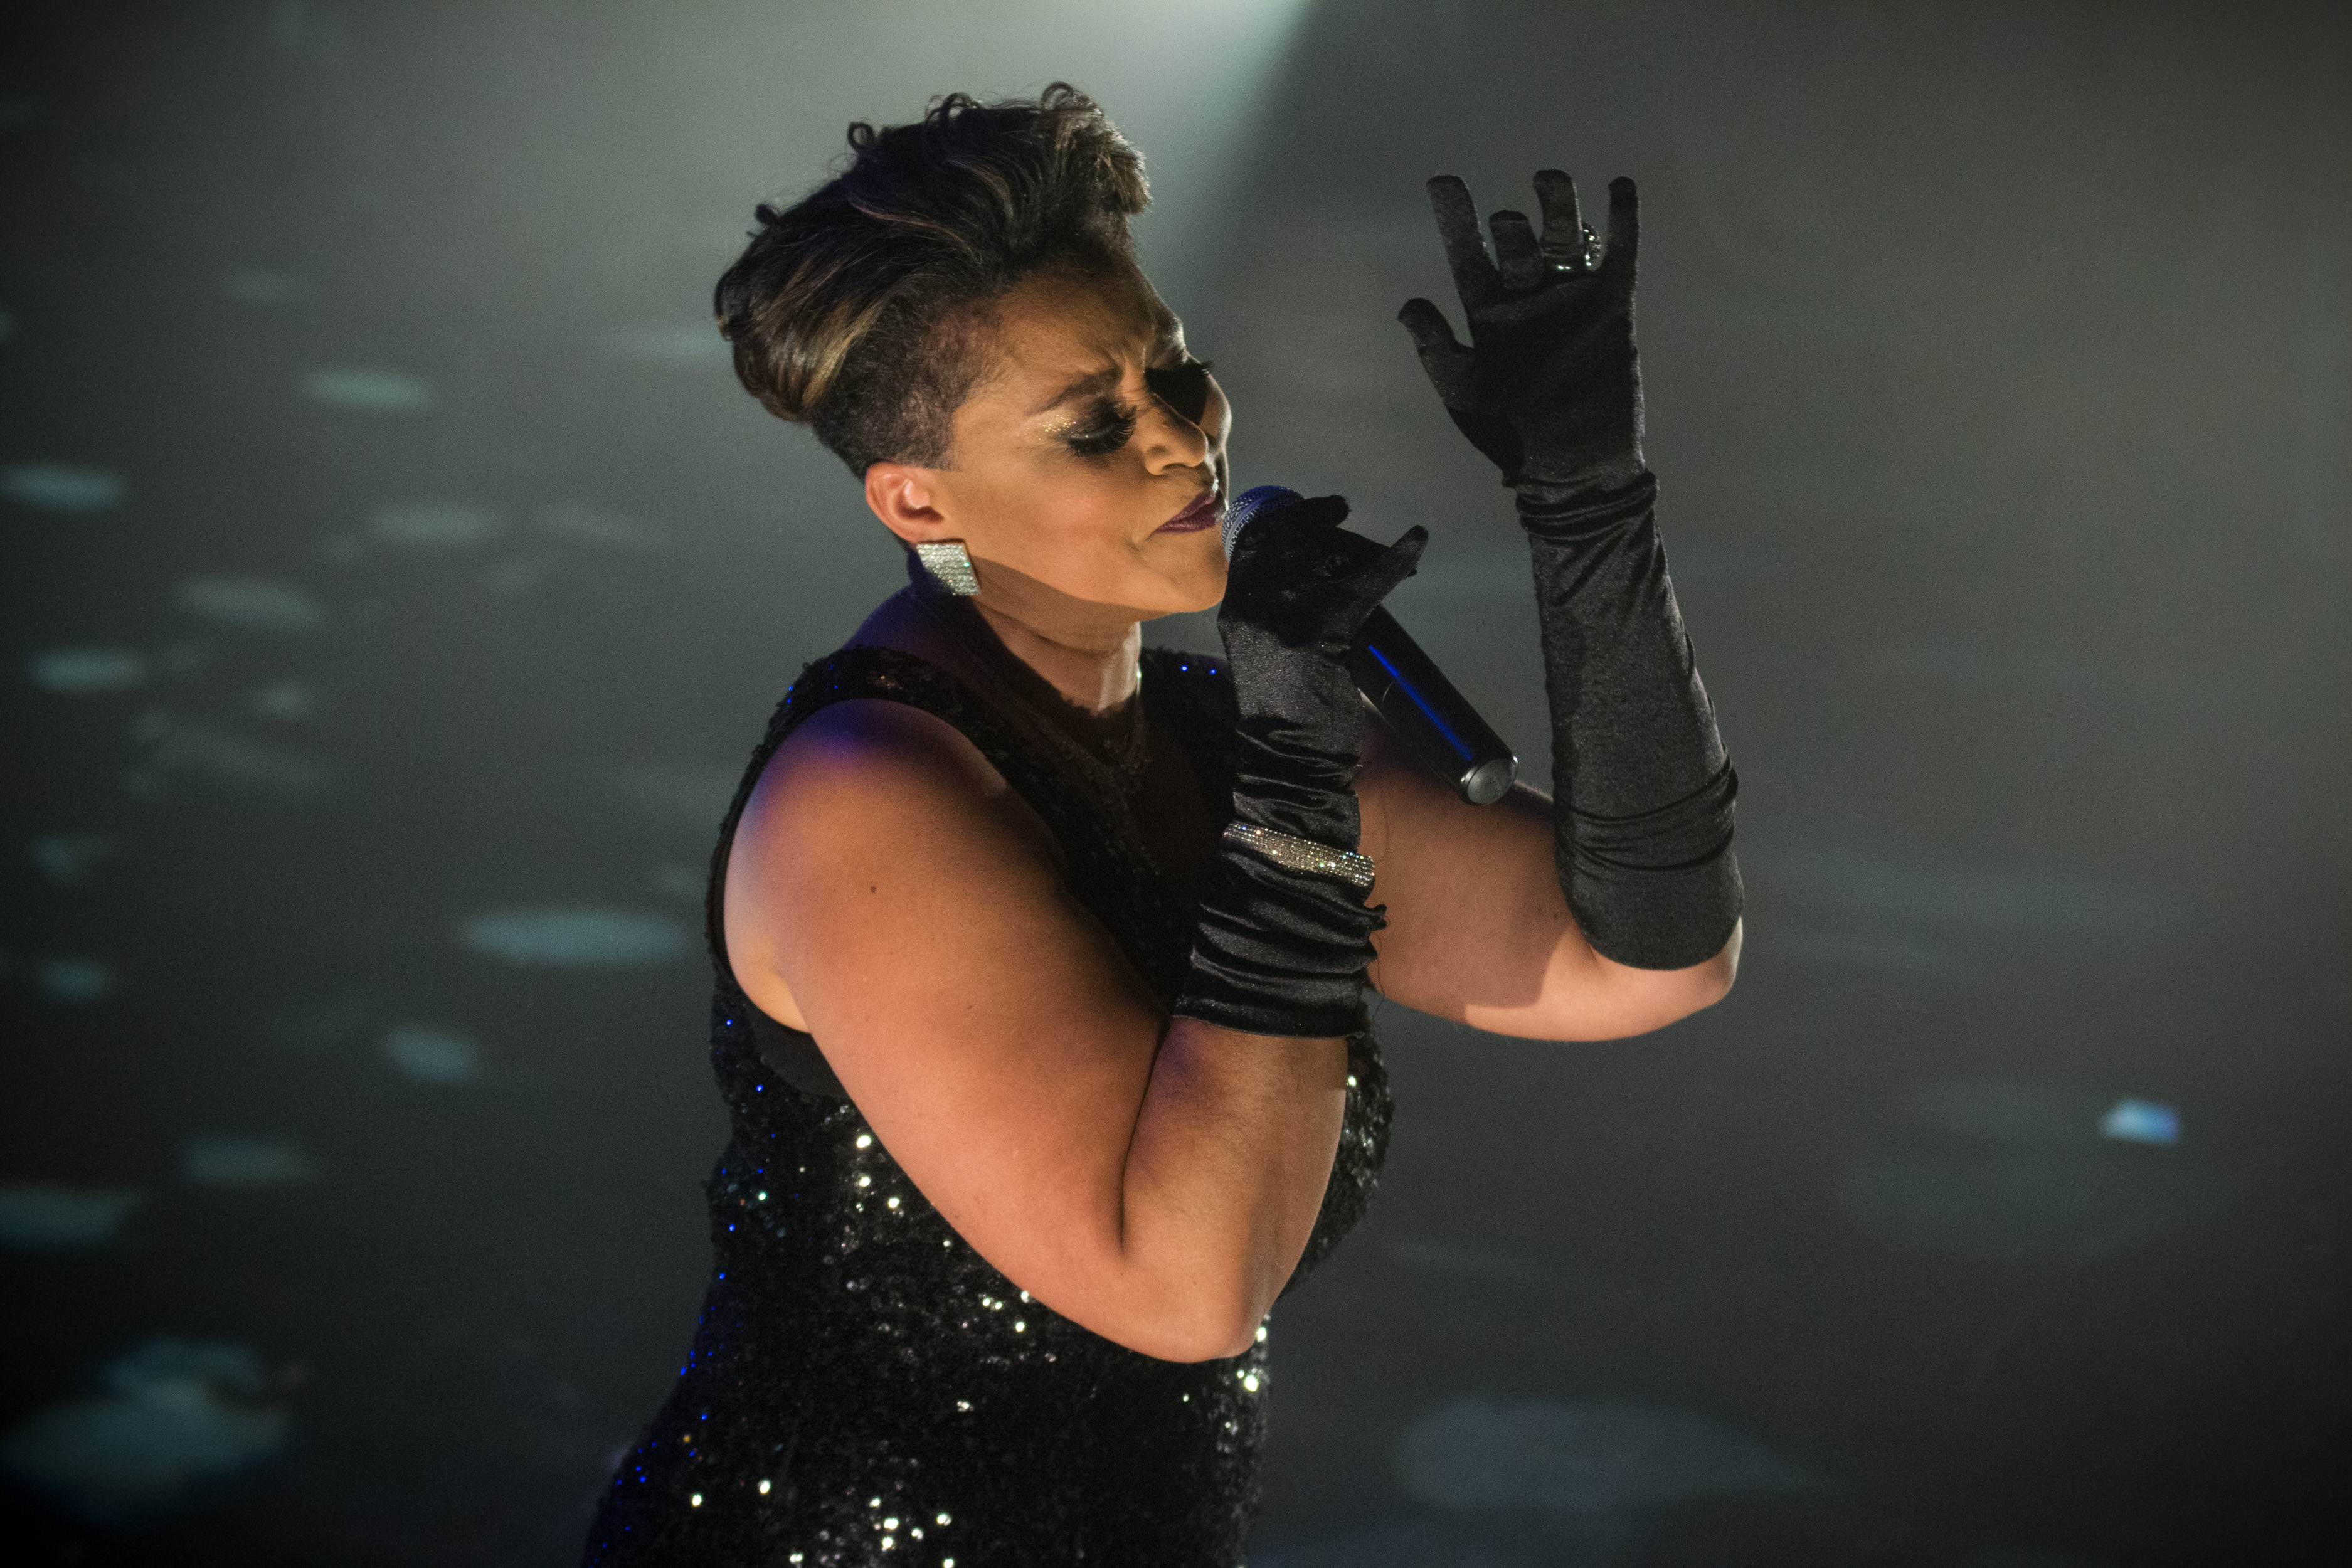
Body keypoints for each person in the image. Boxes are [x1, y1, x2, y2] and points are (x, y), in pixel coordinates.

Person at [583, 85, 1742, 1567]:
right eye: (1095, 424)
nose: (1186, 438)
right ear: (917, 501)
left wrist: (1589, 502)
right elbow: (1182, 1284)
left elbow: (1646, 953)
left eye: (1179, 367)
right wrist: (1298, 784)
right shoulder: (867, 796)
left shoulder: (1207, 732)